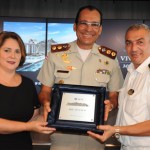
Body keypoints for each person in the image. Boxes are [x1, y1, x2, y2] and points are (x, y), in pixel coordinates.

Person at [37, 5, 123, 150]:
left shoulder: (110, 59)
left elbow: (115, 95)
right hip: (61, 136)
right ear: (75, 26)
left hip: (95, 138)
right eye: (83, 23)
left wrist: (112, 104)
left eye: (94, 24)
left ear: (100, 29)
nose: (89, 29)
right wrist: (46, 102)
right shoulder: (55, 55)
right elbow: (45, 91)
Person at [87, 23, 150, 150]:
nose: (133, 48)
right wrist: (112, 104)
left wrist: (115, 129)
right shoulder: (132, 71)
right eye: (128, 43)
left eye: (140, 42)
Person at [0, 31, 56, 150]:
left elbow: (33, 118)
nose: (13, 56)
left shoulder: (28, 84)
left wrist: (51, 118)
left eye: (17, 51)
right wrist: (27, 126)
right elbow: (28, 125)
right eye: (7, 50)